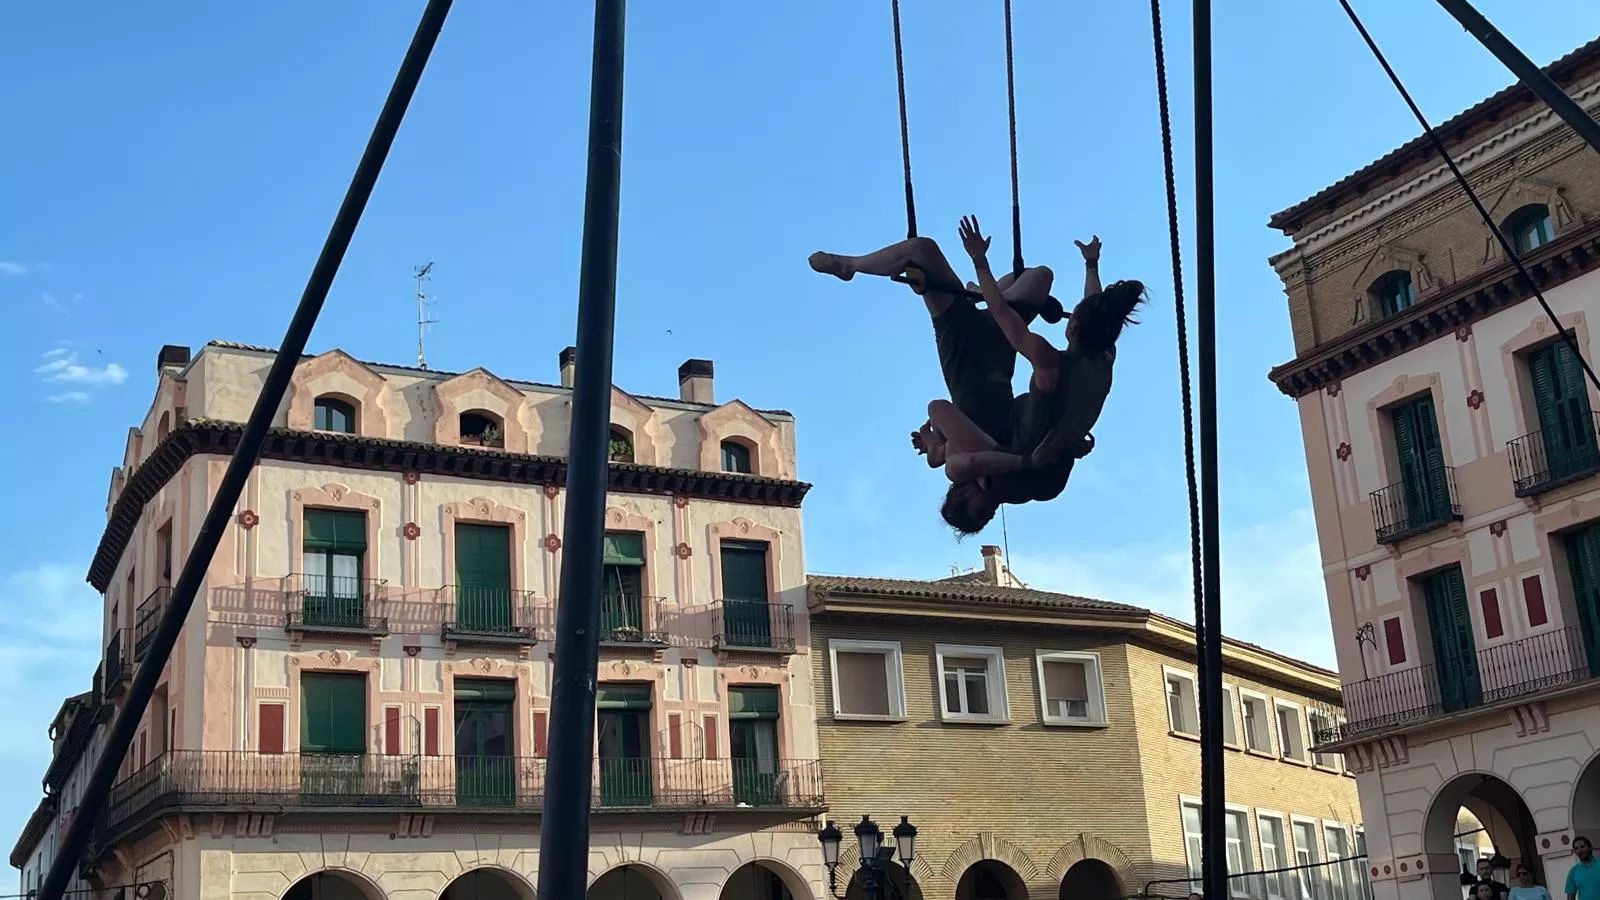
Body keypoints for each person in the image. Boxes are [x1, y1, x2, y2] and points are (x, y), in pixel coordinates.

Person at [930, 214, 1146, 533]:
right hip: (1036, 450)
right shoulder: (1081, 360)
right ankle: (978, 291)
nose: (989, 512)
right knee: (957, 452)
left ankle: (980, 291)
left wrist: (1091, 265)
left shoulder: (1079, 360)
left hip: (1044, 453)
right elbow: (1009, 315)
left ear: (1072, 327)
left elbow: (1088, 306)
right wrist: (978, 260)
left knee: (959, 459)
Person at [809, 230, 1097, 454]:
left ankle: (849, 265)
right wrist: (1091, 263)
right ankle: (991, 295)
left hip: (961, 339)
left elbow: (941, 454)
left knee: (921, 249)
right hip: (1002, 335)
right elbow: (1056, 424)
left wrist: (932, 442)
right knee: (1040, 275)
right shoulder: (1018, 445)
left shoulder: (966, 452)